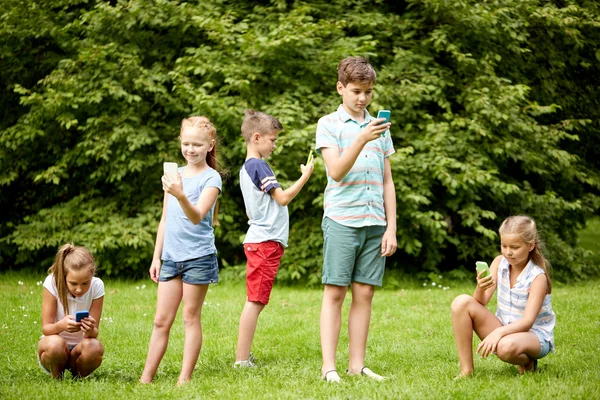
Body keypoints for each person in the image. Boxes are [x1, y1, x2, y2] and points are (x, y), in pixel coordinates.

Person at [316, 56, 397, 382]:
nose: (362, 98)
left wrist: (391, 226)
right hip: (341, 220)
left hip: (374, 221)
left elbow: (387, 180)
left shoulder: (380, 127)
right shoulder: (329, 124)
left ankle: (357, 365)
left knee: (364, 294)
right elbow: (335, 171)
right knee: (335, 293)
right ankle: (329, 368)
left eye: (368, 91)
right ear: (341, 88)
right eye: (355, 91)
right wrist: (362, 138)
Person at [140, 116, 222, 385]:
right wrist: (157, 257)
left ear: (209, 146)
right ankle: (145, 378)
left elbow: (197, 215)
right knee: (161, 320)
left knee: (190, 317)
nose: (191, 149)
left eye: (197, 144)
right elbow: (165, 218)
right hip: (171, 258)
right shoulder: (174, 176)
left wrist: (180, 193)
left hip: (198, 257)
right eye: (186, 143)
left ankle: (183, 379)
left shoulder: (212, 178)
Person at [234, 109, 314, 367]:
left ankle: (244, 356)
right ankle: (242, 359)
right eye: (273, 140)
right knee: (255, 301)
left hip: (262, 241)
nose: (275, 145)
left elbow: (250, 209)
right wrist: (305, 176)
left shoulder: (247, 168)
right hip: (264, 242)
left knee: (256, 300)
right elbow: (282, 198)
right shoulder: (258, 165)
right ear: (256, 137)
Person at [451, 215, 556, 378]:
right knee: (461, 303)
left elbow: (527, 322)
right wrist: (480, 287)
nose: (508, 252)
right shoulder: (499, 262)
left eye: (514, 247)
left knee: (505, 348)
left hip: (534, 336)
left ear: (530, 246)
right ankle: (466, 371)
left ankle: (528, 361)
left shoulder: (537, 277)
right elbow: (480, 302)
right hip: (505, 328)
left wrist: (497, 334)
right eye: (504, 245)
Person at [37, 243, 105, 379]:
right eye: (73, 283)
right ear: (64, 276)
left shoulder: (97, 286)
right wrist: (61, 325)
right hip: (54, 348)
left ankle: (77, 377)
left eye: (85, 283)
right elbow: (46, 328)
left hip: (79, 350)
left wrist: (90, 328)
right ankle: (57, 378)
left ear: (92, 276)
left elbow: (93, 334)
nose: (79, 289)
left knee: (95, 348)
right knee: (56, 345)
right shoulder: (52, 283)